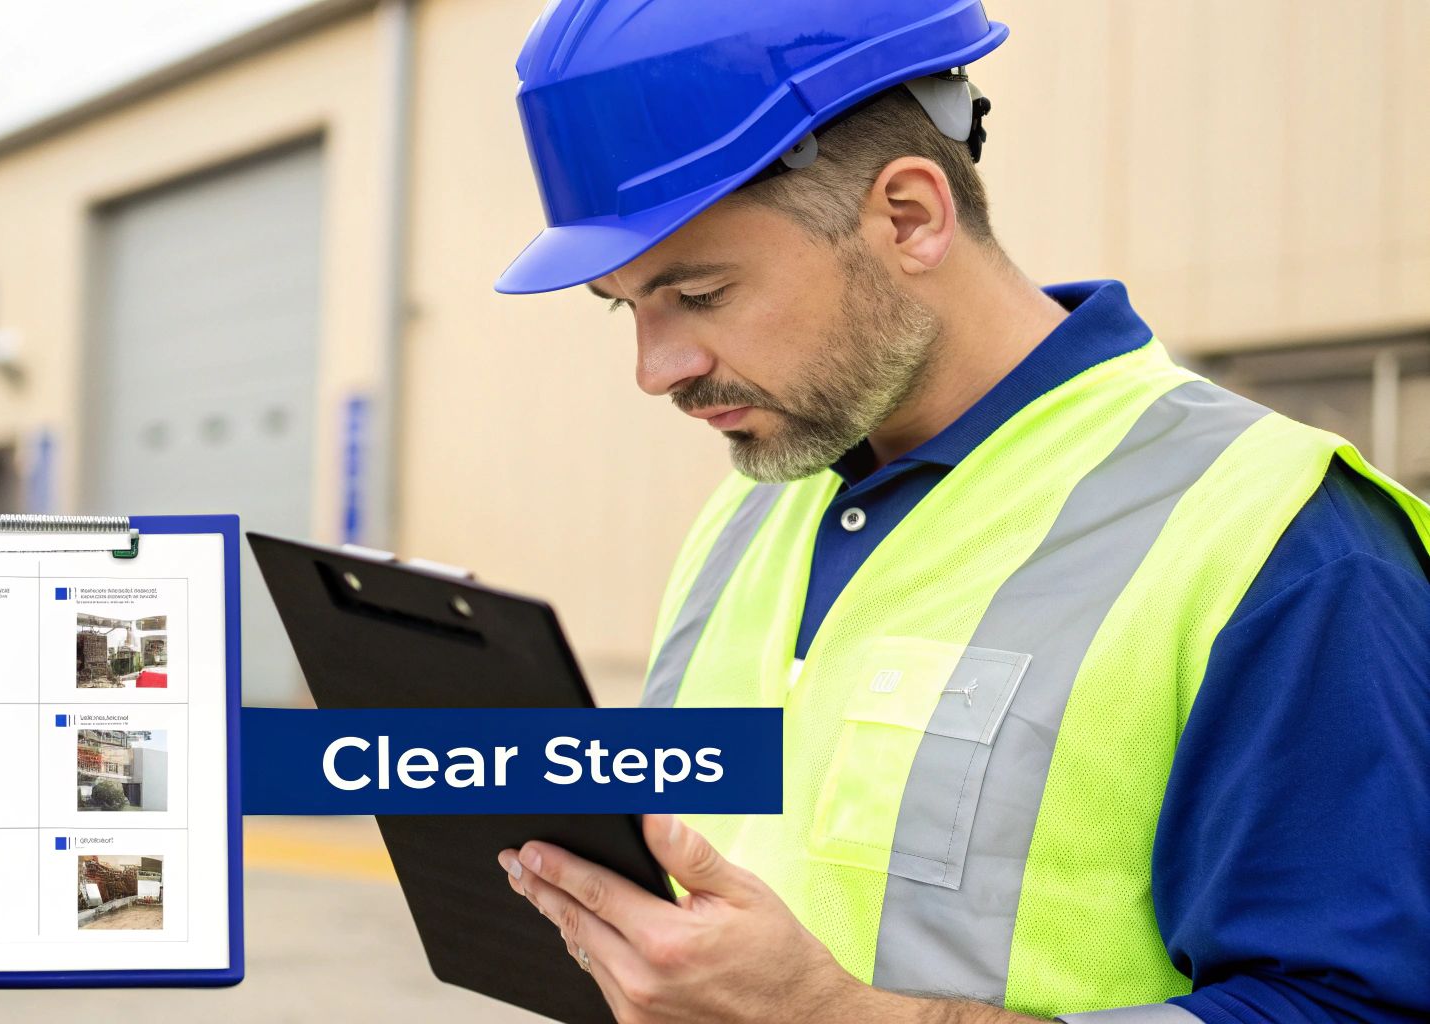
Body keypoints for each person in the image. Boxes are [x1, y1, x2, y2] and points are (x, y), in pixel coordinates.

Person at [489, 3, 1430, 1022]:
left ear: (907, 217)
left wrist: (834, 1015)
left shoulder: (1277, 541)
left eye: (701, 294)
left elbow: (1357, 1006)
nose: (654, 368)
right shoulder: (752, 512)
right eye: (627, 306)